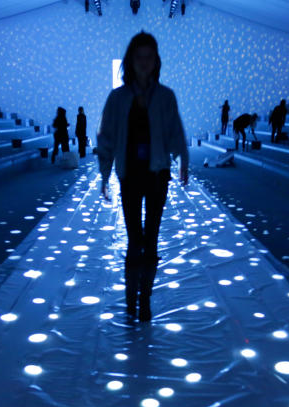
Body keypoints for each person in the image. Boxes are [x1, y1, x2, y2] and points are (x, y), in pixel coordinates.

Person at [96, 31, 188, 323]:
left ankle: (144, 300)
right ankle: (130, 300)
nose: (145, 62)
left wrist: (184, 161)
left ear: (156, 60)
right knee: (134, 238)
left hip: (157, 174)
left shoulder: (166, 96)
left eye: (150, 57)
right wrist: (104, 173)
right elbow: (107, 137)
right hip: (130, 176)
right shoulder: (117, 98)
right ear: (130, 61)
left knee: (152, 238)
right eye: (139, 57)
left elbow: (175, 130)